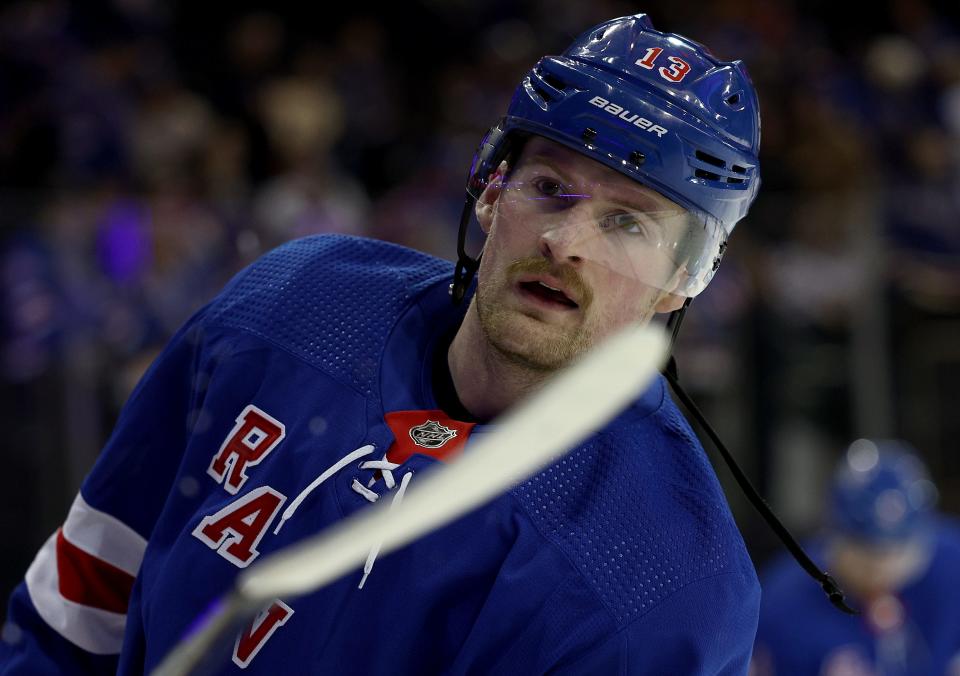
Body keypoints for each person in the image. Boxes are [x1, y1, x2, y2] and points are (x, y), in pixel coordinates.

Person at [0, 14, 764, 675]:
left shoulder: (668, 582)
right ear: (490, 190)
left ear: (685, 278)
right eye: (549, 187)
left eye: (628, 223)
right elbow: (76, 608)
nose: (565, 240)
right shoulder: (286, 305)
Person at [751, 439, 960, 676]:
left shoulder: (952, 566)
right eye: (867, 551)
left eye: (895, 550)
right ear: (833, 535)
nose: (882, 567)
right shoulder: (780, 604)